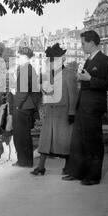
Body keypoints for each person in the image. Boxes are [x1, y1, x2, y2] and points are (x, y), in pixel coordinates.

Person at [63, 30, 108, 185]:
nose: (81, 46)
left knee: (93, 142)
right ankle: (78, 172)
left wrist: (90, 79)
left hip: (93, 108)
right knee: (79, 141)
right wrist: (82, 79)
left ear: (92, 42)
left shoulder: (104, 60)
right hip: (83, 106)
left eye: (83, 43)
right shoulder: (88, 60)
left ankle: (93, 176)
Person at [31, 43, 78, 176]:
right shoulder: (49, 75)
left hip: (63, 113)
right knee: (45, 141)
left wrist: (72, 112)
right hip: (51, 112)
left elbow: (73, 95)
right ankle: (41, 167)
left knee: (65, 141)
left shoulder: (68, 74)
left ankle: (68, 167)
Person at [11, 46, 41, 168]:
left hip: (22, 106)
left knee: (20, 135)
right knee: (24, 135)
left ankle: (24, 161)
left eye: (19, 56)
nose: (17, 59)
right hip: (27, 105)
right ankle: (25, 160)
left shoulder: (25, 69)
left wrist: (17, 104)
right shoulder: (30, 68)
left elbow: (22, 91)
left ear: (24, 57)